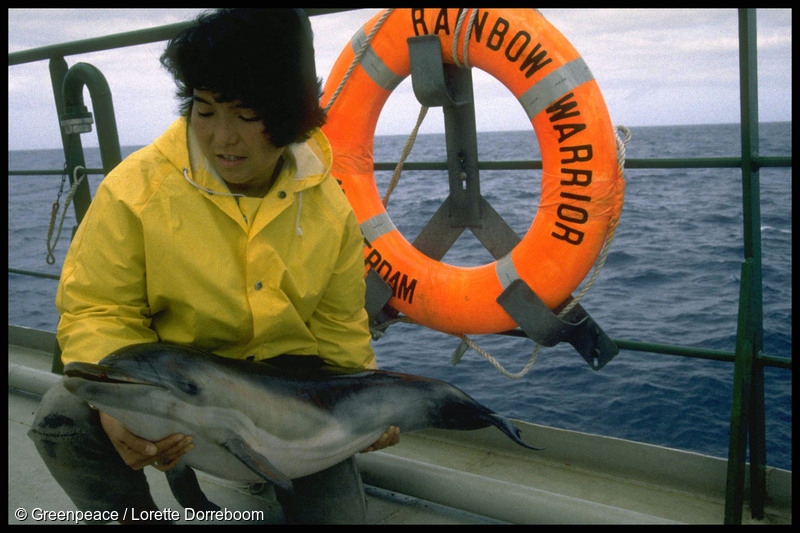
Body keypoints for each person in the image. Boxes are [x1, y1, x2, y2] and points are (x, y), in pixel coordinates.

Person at [29, 8, 398, 524]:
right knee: (62, 416)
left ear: (292, 115)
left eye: (246, 116)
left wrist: (365, 397)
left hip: (286, 398)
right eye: (205, 110)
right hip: (175, 397)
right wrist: (115, 406)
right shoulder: (133, 191)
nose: (223, 137)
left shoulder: (329, 204)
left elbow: (339, 330)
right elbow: (98, 308)